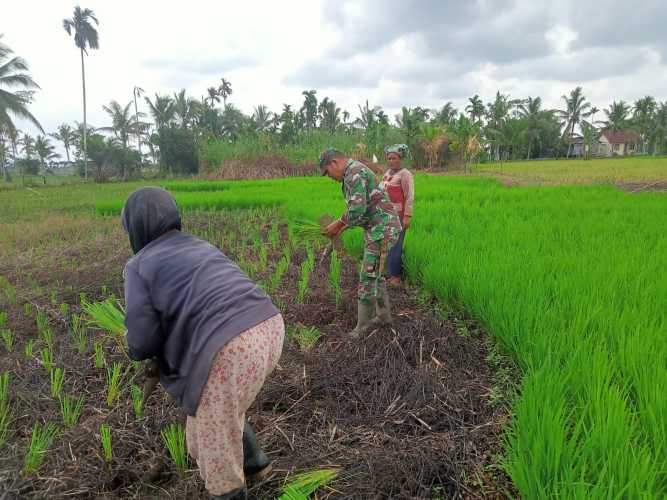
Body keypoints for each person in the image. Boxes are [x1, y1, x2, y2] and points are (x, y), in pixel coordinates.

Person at [121, 187, 284, 500]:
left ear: (135, 226)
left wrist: (137, 348)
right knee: (215, 413)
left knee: (214, 448)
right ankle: (256, 465)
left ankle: (232, 490)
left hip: (230, 348)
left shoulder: (138, 265)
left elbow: (141, 341)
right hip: (268, 326)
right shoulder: (198, 244)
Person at [319, 148, 401, 337]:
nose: (328, 177)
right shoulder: (352, 172)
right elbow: (360, 212)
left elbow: (356, 209)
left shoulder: (354, 174)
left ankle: (362, 328)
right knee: (375, 274)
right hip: (377, 228)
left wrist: (338, 223)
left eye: (327, 172)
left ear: (334, 163)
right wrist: (339, 228)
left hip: (382, 229)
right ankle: (383, 317)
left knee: (367, 276)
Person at [380, 144, 414, 285]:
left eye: (394, 158)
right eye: (389, 158)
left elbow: (410, 195)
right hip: (385, 215)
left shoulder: (405, 174)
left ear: (400, 159)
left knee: (396, 245)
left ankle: (396, 276)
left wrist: (407, 216)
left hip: (398, 216)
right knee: (386, 244)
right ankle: (389, 271)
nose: (391, 161)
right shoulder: (388, 173)